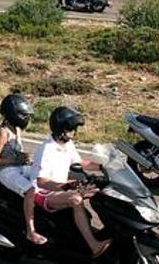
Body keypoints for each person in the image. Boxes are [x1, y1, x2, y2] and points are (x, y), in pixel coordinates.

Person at [30, 107, 112, 258]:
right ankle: (94, 246)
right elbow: (41, 181)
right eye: (71, 129)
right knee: (76, 200)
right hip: (42, 193)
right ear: (60, 129)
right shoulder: (46, 149)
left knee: (99, 192)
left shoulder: (67, 145)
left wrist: (106, 166)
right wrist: (66, 186)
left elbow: (80, 163)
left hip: (60, 188)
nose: (73, 132)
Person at [0, 94, 45, 245]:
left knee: (45, 177)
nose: (26, 119)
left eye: (27, 116)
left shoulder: (17, 129)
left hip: (20, 167)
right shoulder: (3, 132)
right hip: (7, 171)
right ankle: (30, 232)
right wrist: (15, 160)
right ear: (12, 114)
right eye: (23, 115)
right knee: (31, 191)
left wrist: (28, 159)